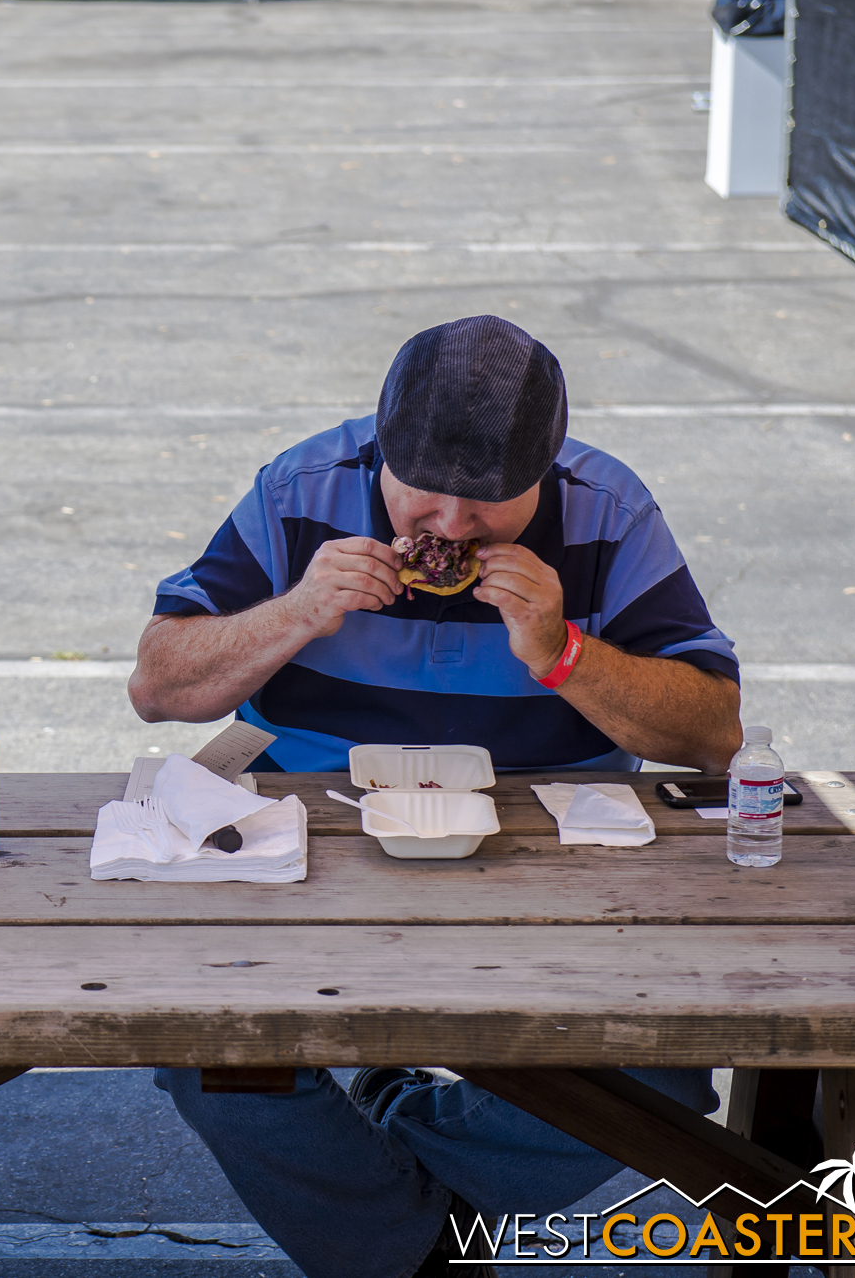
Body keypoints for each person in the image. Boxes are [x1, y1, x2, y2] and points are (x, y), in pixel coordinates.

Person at [127, 315, 737, 1277]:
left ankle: (393, 1167)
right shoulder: (303, 491)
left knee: (665, 1061)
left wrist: (564, 651)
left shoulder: (606, 507)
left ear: (547, 467)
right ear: (381, 449)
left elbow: (713, 736)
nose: (450, 528)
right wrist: (295, 613)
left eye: (490, 504)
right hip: (313, 828)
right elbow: (158, 687)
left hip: (552, 838)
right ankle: (420, 1255)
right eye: (425, 496)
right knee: (200, 1038)